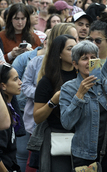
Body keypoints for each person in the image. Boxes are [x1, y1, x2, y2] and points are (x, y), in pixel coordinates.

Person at [60, 25, 107, 172]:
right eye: (84, 58)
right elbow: (67, 123)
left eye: (93, 58)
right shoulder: (68, 88)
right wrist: (79, 95)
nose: (89, 62)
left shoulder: (106, 76)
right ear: (75, 64)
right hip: (85, 156)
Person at [33, 34, 77, 171]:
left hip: (82, 138)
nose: (75, 53)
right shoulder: (47, 81)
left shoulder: (82, 77)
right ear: (58, 53)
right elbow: (37, 117)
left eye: (77, 48)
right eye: (70, 49)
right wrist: (53, 101)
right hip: (57, 139)